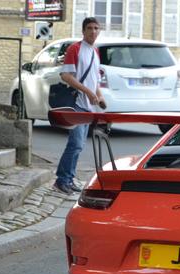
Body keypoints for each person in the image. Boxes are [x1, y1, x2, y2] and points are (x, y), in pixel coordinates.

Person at [53, 17, 106, 195]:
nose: (93, 31)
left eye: (96, 28)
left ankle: (68, 178)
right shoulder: (75, 48)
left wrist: (99, 96)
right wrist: (88, 93)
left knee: (78, 145)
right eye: (89, 28)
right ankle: (62, 180)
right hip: (76, 103)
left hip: (88, 107)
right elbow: (66, 76)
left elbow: (95, 81)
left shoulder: (95, 52)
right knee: (75, 144)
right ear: (83, 31)